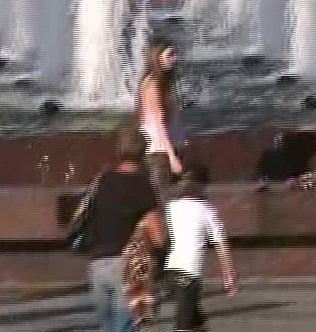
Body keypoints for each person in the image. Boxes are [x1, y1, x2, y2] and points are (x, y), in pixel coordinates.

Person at [85, 123, 165, 332]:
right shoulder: (142, 185)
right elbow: (158, 237)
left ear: (118, 150)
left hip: (97, 264)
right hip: (128, 266)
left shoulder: (101, 180)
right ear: (143, 153)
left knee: (107, 327)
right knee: (125, 326)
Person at [165, 165, 237, 332]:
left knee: (196, 319)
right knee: (184, 324)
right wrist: (229, 273)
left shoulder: (171, 207)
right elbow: (220, 243)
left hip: (170, 271)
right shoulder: (207, 210)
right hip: (189, 272)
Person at [137, 39, 185, 206]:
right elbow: (158, 123)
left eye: (174, 54)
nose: (174, 58)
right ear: (156, 57)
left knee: (169, 201)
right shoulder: (152, 84)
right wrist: (172, 157)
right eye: (169, 55)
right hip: (159, 152)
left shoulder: (162, 82)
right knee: (165, 202)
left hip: (165, 148)